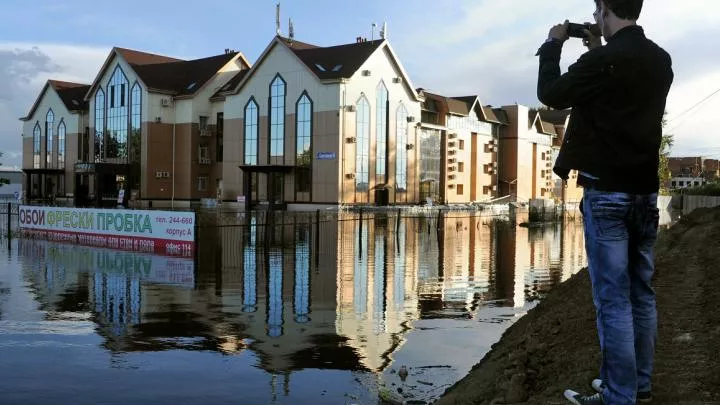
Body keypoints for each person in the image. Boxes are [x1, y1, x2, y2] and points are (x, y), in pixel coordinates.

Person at [536, 0, 673, 404]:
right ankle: (638, 386)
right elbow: (621, 94)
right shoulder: (660, 60)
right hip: (645, 193)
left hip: (607, 194)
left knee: (612, 301)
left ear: (606, 9)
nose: (595, 19)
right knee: (641, 293)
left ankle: (618, 396)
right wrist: (597, 49)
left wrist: (552, 44)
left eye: (597, 12)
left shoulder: (604, 62)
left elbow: (551, 94)